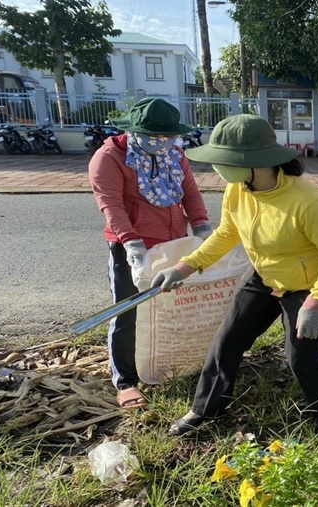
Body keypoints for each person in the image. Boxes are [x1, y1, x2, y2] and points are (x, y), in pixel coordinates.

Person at [152, 114, 318, 435]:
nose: (218, 168)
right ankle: (205, 410)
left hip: (308, 286)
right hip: (264, 276)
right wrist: (185, 266)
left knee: (301, 359)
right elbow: (226, 233)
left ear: (253, 162)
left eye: (224, 161)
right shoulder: (237, 189)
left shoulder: (307, 201)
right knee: (227, 341)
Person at [89, 97, 213, 409]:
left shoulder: (174, 154)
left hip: (173, 243)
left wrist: (201, 228)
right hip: (133, 246)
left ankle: (167, 363)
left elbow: (191, 193)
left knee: (170, 307)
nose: (163, 142)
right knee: (128, 311)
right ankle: (126, 381)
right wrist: (132, 244)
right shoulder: (110, 158)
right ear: (135, 131)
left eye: (169, 137)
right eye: (156, 137)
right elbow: (112, 206)